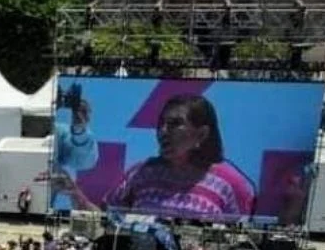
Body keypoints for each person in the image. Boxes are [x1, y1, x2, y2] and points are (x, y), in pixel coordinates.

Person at [103, 94, 255, 219]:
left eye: (175, 124)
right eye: (161, 123)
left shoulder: (231, 183)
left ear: (202, 134)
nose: (163, 131)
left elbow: (242, 237)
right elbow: (107, 217)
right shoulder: (140, 173)